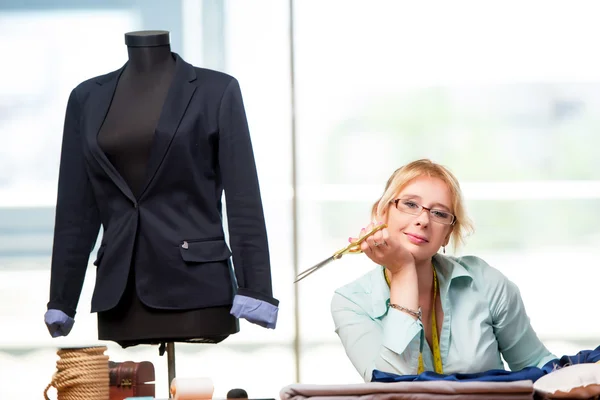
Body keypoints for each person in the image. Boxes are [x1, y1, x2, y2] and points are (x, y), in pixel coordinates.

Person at [331, 159, 555, 382]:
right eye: (410, 204)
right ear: (381, 213)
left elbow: (536, 364)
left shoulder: (485, 282)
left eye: (439, 213)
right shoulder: (351, 302)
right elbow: (391, 389)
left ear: (448, 233)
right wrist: (402, 271)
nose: (423, 220)